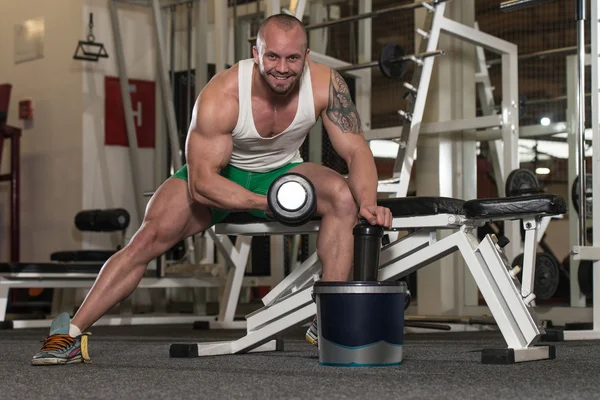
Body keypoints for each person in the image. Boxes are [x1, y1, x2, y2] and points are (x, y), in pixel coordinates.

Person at [31, 13, 392, 365]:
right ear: (256, 52)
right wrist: (267, 202)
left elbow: (356, 150)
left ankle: (327, 318)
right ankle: (70, 334)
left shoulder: (326, 84)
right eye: (273, 56)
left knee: (344, 197)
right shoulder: (223, 92)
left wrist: (369, 204)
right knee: (148, 237)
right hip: (222, 174)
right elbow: (202, 185)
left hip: (283, 170)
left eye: (292, 58)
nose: (282, 67)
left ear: (306, 57)